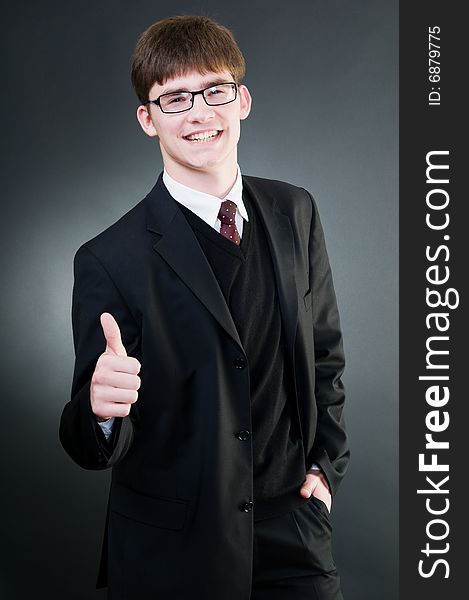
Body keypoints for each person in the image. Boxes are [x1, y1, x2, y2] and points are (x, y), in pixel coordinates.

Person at [59, 14, 349, 600]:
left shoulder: (297, 210)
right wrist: (100, 409)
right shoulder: (107, 258)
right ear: (148, 119)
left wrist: (325, 467)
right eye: (174, 99)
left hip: (293, 527)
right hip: (174, 549)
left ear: (242, 100)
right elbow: (87, 440)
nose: (199, 113)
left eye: (215, 90)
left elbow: (324, 356)